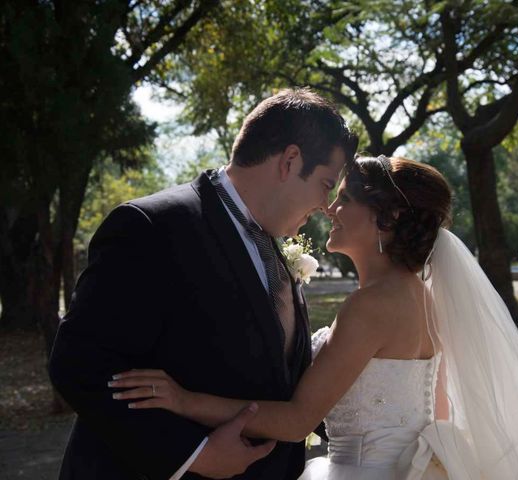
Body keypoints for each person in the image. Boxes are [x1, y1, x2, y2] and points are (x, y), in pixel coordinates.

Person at [109, 156, 518, 479]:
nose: (330, 208)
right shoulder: (422, 295)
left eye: (344, 198)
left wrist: (183, 399)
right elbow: (438, 410)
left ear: (385, 220)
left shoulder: (373, 305)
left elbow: (299, 419)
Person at [48, 88, 358, 480]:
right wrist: (191, 455)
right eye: (327, 185)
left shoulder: (275, 251)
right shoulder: (152, 227)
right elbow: (79, 363)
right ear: (290, 161)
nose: (327, 207)